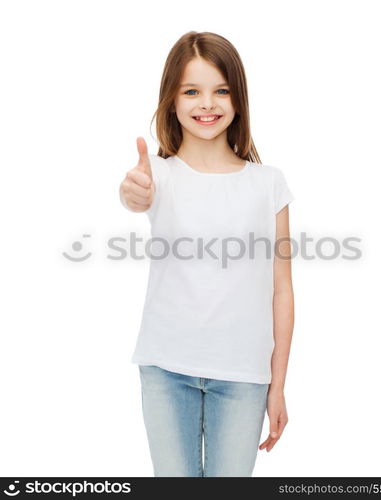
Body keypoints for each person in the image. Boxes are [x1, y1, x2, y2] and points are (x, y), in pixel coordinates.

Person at [119, 31, 295, 477]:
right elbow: (134, 196)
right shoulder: (156, 174)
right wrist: (134, 194)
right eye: (191, 91)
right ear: (172, 100)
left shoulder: (268, 183)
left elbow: (281, 290)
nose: (207, 103)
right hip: (166, 370)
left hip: (243, 377)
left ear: (238, 99)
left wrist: (278, 386)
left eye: (221, 90)